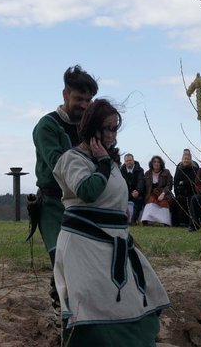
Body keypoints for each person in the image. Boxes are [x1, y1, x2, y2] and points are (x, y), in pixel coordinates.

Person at [52, 99, 170, 345]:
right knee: (91, 304)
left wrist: (129, 237)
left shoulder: (109, 161)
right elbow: (87, 191)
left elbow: (115, 204)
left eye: (115, 128)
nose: (112, 135)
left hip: (115, 243)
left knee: (136, 296)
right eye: (107, 128)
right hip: (84, 246)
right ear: (92, 126)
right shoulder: (72, 158)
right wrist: (104, 163)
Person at [31, 65, 98, 305]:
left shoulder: (90, 127)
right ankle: (61, 309)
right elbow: (60, 165)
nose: (84, 105)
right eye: (79, 99)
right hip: (53, 205)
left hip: (84, 204)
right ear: (65, 94)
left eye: (88, 100)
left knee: (88, 263)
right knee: (62, 260)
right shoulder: (47, 126)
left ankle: (74, 308)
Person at [141, 155, 174, 226]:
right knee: (150, 201)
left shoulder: (166, 172)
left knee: (163, 202)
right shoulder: (147, 173)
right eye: (154, 162)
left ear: (161, 163)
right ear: (152, 163)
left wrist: (163, 194)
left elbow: (169, 184)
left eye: (158, 162)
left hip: (164, 194)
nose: (156, 163)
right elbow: (144, 186)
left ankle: (165, 222)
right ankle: (147, 220)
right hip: (151, 193)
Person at [173, 150, 199, 227]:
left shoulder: (194, 169)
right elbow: (176, 182)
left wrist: (184, 182)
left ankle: (191, 222)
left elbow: (194, 181)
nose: (186, 160)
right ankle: (180, 222)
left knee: (191, 201)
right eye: (185, 159)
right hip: (181, 192)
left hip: (191, 192)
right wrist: (177, 193)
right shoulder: (179, 169)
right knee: (178, 201)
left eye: (188, 159)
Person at [120, 153, 144, 224]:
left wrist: (137, 191)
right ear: (125, 162)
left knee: (139, 200)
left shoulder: (140, 170)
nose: (129, 162)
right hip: (126, 192)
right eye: (127, 161)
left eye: (130, 160)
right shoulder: (121, 171)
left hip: (137, 192)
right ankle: (122, 220)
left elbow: (141, 181)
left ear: (133, 160)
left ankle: (133, 220)